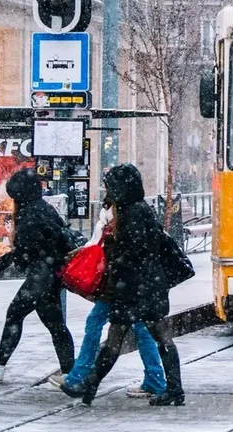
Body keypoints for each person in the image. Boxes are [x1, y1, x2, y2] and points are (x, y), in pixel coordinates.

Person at [60, 164, 184, 406]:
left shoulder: (133, 213)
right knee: (150, 338)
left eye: (110, 185)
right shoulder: (137, 210)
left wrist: (115, 267)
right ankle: (91, 385)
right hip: (144, 287)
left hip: (136, 289)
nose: (108, 189)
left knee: (128, 339)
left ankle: (89, 385)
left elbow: (133, 255)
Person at [56, 195, 167, 399]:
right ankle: (156, 380)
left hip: (119, 287)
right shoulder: (129, 211)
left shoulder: (123, 215)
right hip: (125, 286)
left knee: (108, 329)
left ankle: (80, 378)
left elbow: (117, 252)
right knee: (140, 331)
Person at [0, 168, 75, 385]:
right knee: (55, 326)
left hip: (41, 277)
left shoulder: (29, 213)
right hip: (50, 274)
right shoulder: (44, 209)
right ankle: (69, 372)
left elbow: (29, 247)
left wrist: (11, 258)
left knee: (17, 315)